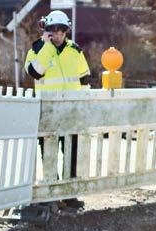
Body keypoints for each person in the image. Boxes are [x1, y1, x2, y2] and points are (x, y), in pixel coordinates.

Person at [24, 10, 90, 205]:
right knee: (49, 153)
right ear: (47, 30)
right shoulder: (36, 49)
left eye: (62, 30)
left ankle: (68, 194)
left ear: (66, 30)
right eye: (54, 30)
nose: (59, 34)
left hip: (71, 111)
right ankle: (50, 192)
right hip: (48, 112)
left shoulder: (75, 50)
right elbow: (35, 72)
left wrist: (83, 106)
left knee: (71, 153)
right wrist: (46, 47)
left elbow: (84, 79)